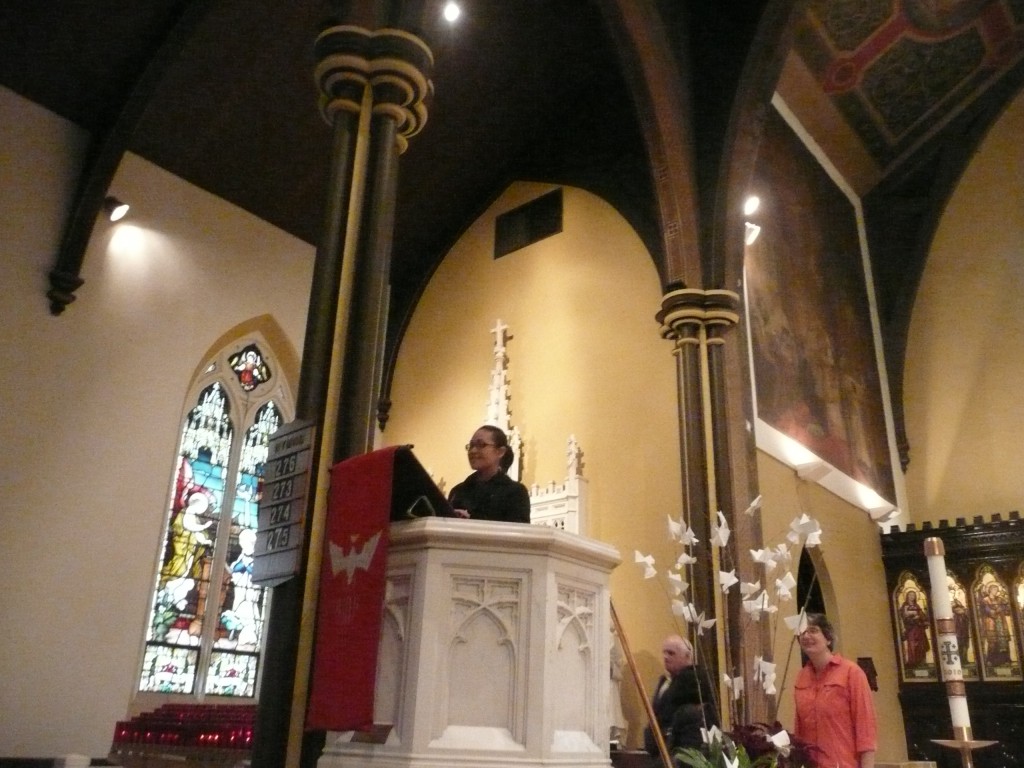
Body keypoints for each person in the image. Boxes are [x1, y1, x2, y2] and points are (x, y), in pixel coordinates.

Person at [794, 613, 877, 768]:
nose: (806, 636)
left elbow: (865, 731)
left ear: (828, 638)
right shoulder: (801, 677)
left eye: (813, 630)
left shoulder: (851, 673)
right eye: (802, 632)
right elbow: (799, 733)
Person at [643, 635, 718, 766]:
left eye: (671, 653)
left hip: (683, 750)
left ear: (687, 656)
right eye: (664, 652)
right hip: (661, 750)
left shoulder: (694, 680)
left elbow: (671, 714)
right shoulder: (665, 681)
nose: (665, 657)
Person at [448, 425, 531, 523]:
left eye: (481, 445)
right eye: (471, 446)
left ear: (500, 452)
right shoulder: (458, 492)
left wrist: (471, 519)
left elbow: (517, 530)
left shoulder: (515, 492)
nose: (473, 451)